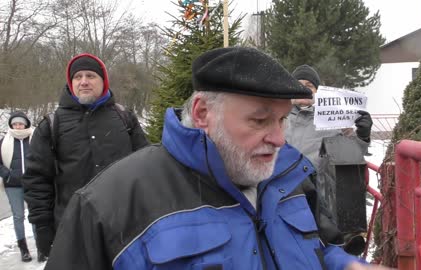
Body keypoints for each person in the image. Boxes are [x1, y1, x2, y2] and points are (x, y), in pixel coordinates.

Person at [44, 47, 390, 270]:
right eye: (260, 119)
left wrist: (344, 264)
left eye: (282, 120)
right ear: (203, 112)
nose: (280, 138)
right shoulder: (109, 204)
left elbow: (320, 248)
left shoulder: (291, 177)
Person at [22, 53, 150, 260]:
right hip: (73, 229)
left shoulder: (125, 118)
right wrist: (42, 227)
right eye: (77, 77)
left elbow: (145, 168)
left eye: (90, 76)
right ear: (70, 82)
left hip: (124, 227)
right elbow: (37, 179)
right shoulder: (51, 124)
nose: (83, 82)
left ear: (103, 81)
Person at [285, 64, 373, 255]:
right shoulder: (279, 117)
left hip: (322, 196)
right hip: (287, 192)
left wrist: (363, 134)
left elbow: (351, 153)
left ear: (317, 91)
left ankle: (349, 235)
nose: (303, 89)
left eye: (309, 85)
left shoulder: (332, 119)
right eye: (298, 84)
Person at [0, 111, 45, 262]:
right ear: (11, 125)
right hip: (12, 185)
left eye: (21, 124)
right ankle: (23, 249)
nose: (18, 127)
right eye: (15, 124)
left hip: (33, 183)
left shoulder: (36, 139)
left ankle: (40, 248)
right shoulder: (4, 141)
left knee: (35, 215)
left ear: (26, 124)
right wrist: (7, 174)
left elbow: (44, 157)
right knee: (18, 216)